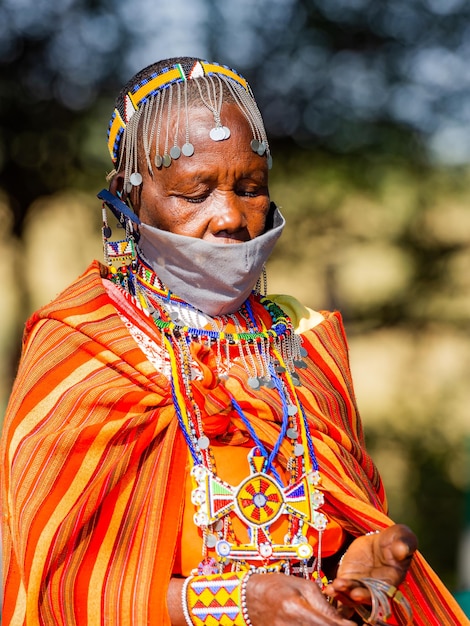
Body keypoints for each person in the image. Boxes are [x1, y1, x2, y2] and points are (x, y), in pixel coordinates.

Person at [0, 56, 467, 626]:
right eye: (195, 194)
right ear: (128, 197)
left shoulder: (302, 339)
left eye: (250, 188)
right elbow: (63, 583)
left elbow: (326, 523)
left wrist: (354, 565)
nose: (230, 218)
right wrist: (235, 604)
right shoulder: (83, 348)